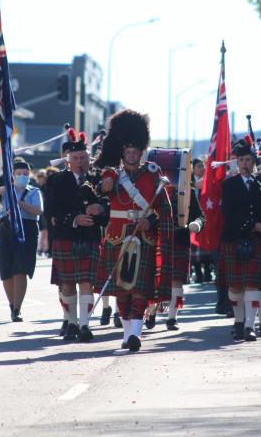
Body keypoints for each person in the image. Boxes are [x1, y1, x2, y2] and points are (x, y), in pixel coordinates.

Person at [96, 109, 174, 352]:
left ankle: (135, 334)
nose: (131, 155)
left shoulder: (153, 173)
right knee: (122, 289)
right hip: (117, 235)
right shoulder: (112, 174)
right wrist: (102, 186)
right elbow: (98, 191)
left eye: (135, 151)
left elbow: (165, 210)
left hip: (144, 237)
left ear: (142, 151)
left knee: (140, 289)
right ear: (122, 152)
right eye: (127, 151)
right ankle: (127, 333)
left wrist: (151, 222)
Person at [47, 129, 108, 342]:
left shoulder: (99, 178)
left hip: (90, 237)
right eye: (76, 158)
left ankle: (84, 325)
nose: (80, 161)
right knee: (66, 284)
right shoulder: (57, 180)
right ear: (68, 160)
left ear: (89, 158)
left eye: (84, 157)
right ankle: (71, 321)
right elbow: (53, 209)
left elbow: (108, 203)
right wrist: (75, 218)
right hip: (65, 236)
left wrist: (100, 209)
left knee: (86, 282)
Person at [221, 136, 261, 341]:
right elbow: (229, 213)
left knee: (253, 284)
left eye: (248, 160)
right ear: (237, 163)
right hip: (235, 237)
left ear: (255, 162)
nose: (245, 164)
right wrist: (253, 225)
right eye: (241, 160)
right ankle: (239, 321)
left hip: (259, 239)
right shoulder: (229, 185)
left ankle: (249, 325)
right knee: (235, 286)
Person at [0, 159, 43, 322]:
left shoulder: (34, 191)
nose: (22, 176)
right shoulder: (6, 191)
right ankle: (11, 305)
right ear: (12, 176)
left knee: (20, 269)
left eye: (25, 174)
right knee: (6, 270)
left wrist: (20, 203)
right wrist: (3, 189)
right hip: (7, 228)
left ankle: (17, 308)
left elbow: (38, 210)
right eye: (19, 174)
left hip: (27, 229)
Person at [166, 171, 205, 331]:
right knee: (153, 277)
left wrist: (197, 223)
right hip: (156, 237)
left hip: (180, 238)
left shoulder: (189, 192)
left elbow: (200, 216)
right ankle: (151, 311)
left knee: (176, 279)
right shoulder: (154, 188)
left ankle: (172, 317)